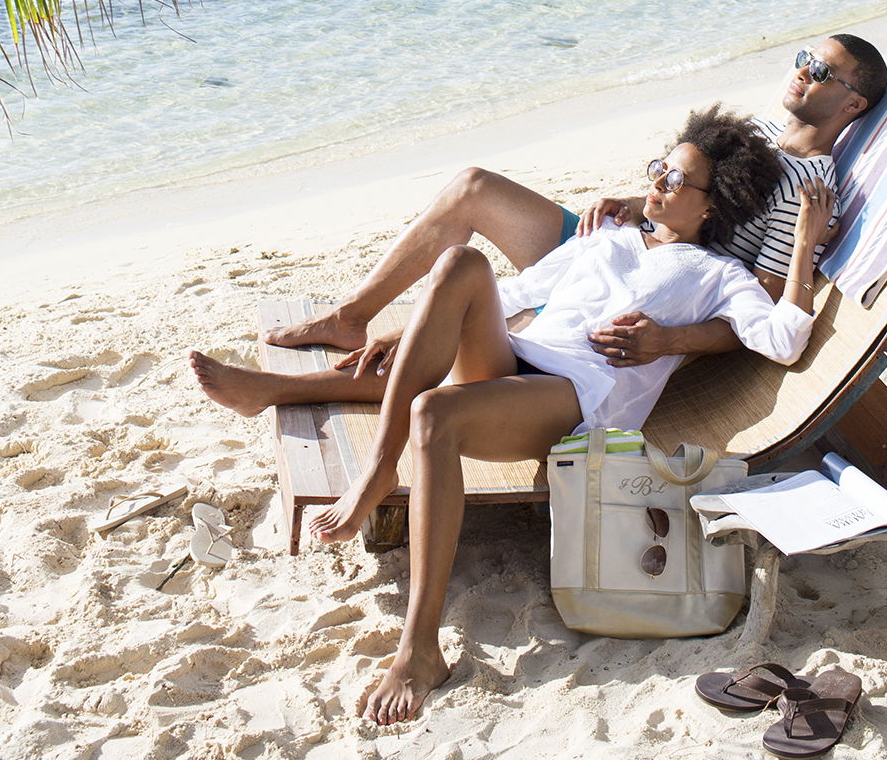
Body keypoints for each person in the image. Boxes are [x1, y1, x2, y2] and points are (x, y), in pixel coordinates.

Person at [190, 106, 836, 724]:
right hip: (521, 353)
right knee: (462, 262)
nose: (655, 185)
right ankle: (371, 458)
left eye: (673, 179)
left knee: (437, 414)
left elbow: (783, 339)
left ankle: (420, 651)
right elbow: (521, 292)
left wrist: (804, 246)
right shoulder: (609, 234)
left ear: (712, 204)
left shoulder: (718, 275)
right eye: (655, 169)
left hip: (577, 399)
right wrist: (421, 330)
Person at [263, 34, 887, 374]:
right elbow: (684, 185)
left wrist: (668, 338)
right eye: (804, 58)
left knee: (479, 210)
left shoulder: (805, 185)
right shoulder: (755, 124)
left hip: (659, 288)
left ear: (852, 104)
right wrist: (631, 200)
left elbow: (761, 298)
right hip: (621, 245)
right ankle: (352, 315)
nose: (803, 71)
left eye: (822, 72)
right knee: (472, 185)